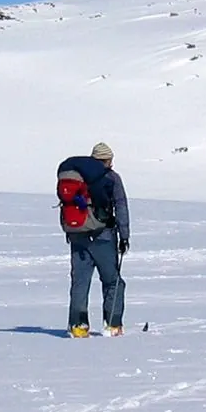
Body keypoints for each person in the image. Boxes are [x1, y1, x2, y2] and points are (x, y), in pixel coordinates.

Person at [59, 142, 130, 337]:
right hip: (103, 236)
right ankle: (113, 325)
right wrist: (124, 236)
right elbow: (121, 206)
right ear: (107, 160)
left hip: (77, 236)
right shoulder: (111, 178)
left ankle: (78, 326)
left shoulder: (75, 177)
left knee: (80, 282)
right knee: (112, 281)